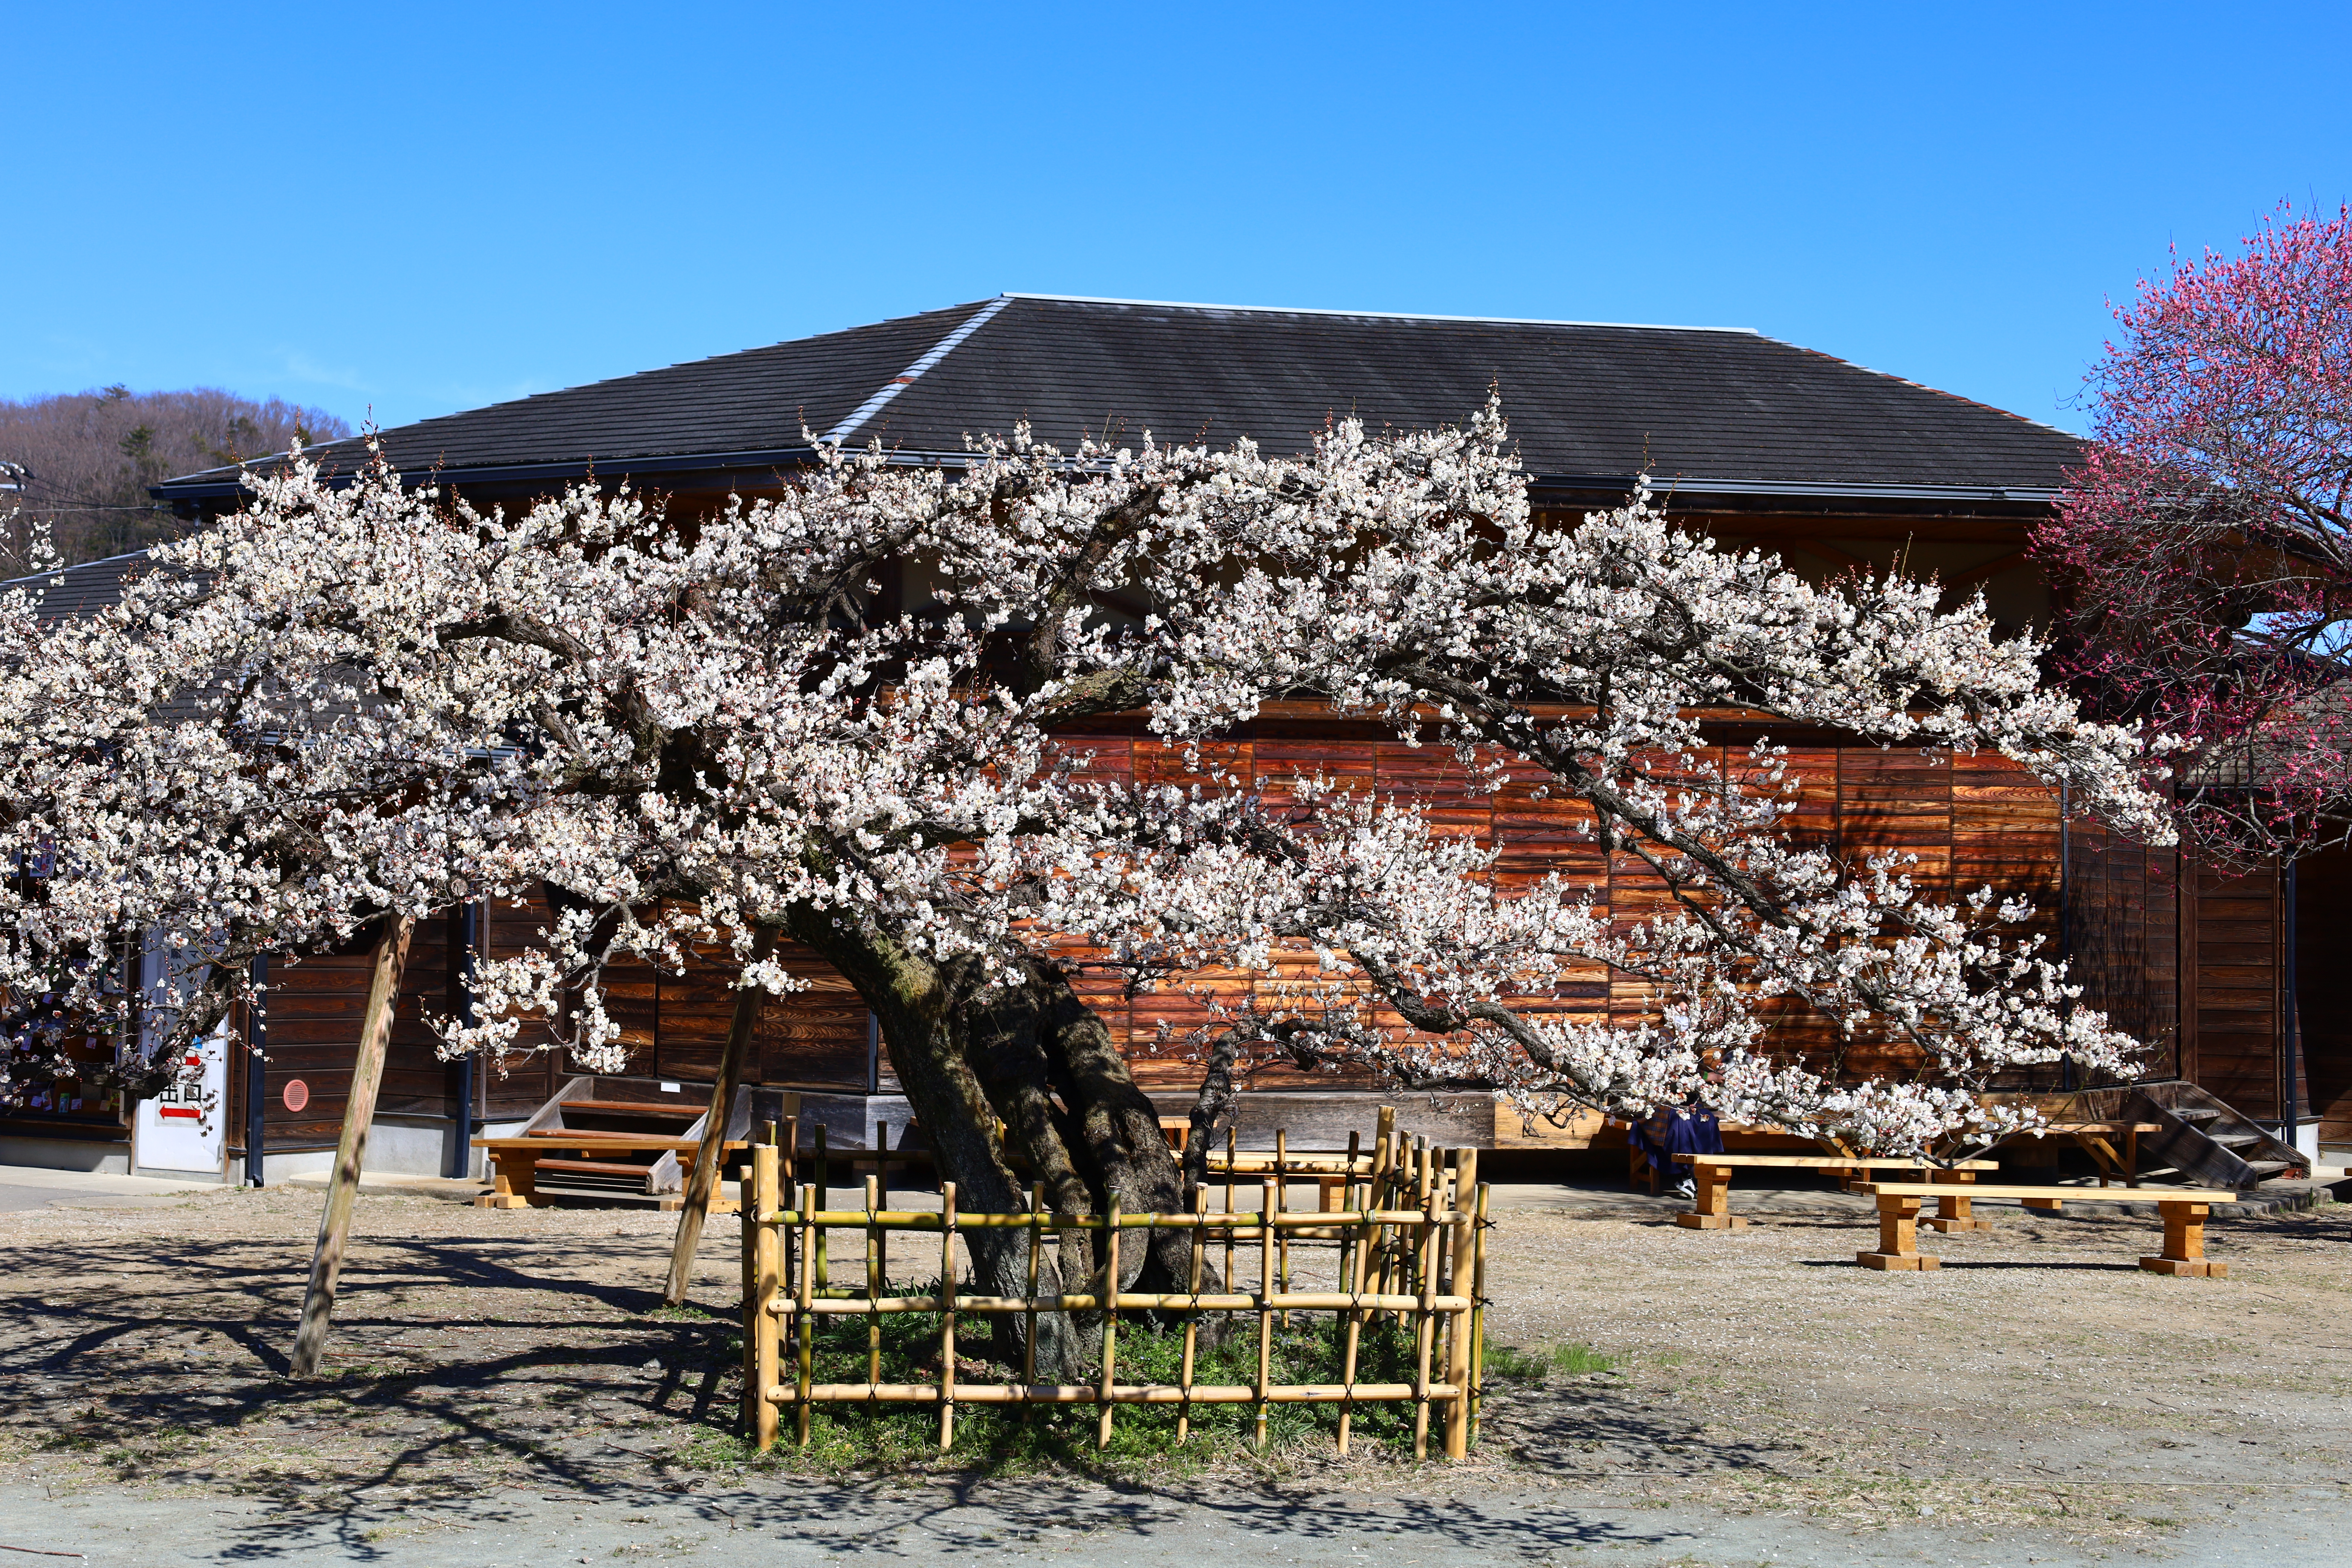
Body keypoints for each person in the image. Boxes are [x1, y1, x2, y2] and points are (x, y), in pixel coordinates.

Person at [1634, 1100, 1724, 1199]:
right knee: (1679, 1122)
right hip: (1660, 1105)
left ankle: (1697, 1175)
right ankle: (1687, 1175)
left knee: (1707, 1118)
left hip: (1687, 1104)